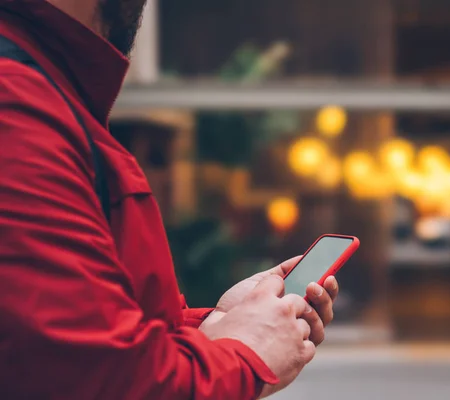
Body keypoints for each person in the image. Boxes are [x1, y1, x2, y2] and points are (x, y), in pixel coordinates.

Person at [0, 1, 339, 399]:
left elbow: (84, 340)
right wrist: (247, 352)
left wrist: (220, 324)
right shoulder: (17, 106)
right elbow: (102, 379)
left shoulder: (40, 90)